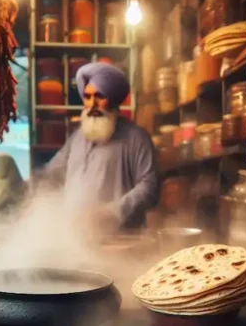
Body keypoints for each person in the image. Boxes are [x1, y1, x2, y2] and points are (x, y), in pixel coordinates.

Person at [44, 62, 159, 230]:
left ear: (113, 100)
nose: (93, 104)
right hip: (77, 238)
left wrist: (112, 212)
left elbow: (150, 187)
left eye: (99, 96)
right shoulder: (77, 138)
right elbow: (52, 173)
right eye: (88, 97)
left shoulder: (136, 137)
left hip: (122, 241)